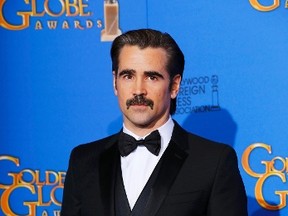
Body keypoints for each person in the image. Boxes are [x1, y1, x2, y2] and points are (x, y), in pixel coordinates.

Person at [61, 29, 248, 216]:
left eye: (152, 77)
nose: (138, 90)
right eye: (128, 76)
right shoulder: (83, 161)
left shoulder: (213, 162)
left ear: (174, 86)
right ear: (115, 82)